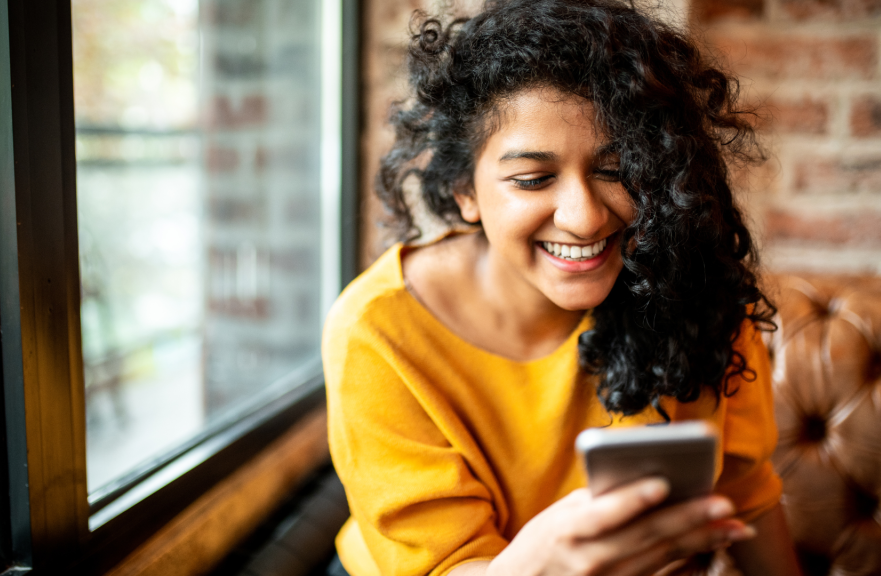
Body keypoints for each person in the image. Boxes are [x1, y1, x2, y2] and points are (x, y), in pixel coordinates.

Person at [323, 1, 802, 574]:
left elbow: (746, 489)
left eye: (615, 168)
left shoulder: (697, 286)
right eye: (532, 179)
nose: (583, 217)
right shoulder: (379, 332)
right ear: (464, 191)